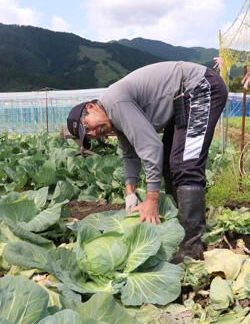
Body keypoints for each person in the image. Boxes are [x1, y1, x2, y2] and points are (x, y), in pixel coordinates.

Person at [67, 61, 227, 262]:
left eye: (87, 126)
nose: (93, 133)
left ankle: (191, 247)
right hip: (182, 99)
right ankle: (179, 226)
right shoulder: (113, 118)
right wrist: (130, 192)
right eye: (88, 135)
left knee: (186, 164)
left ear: (91, 107)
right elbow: (130, 154)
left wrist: (152, 200)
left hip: (200, 87)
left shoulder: (115, 103)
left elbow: (151, 147)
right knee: (170, 165)